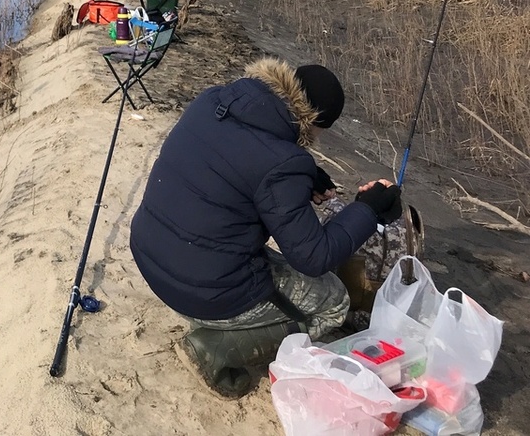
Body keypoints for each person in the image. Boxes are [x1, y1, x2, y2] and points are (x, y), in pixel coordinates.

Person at [129, 58, 403, 398]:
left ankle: (215, 319)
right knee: (333, 299)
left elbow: (237, 163)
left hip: (152, 256)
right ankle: (216, 345)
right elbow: (313, 257)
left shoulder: (213, 101)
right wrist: (368, 209)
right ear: (315, 122)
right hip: (201, 288)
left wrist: (305, 175)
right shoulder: (283, 163)